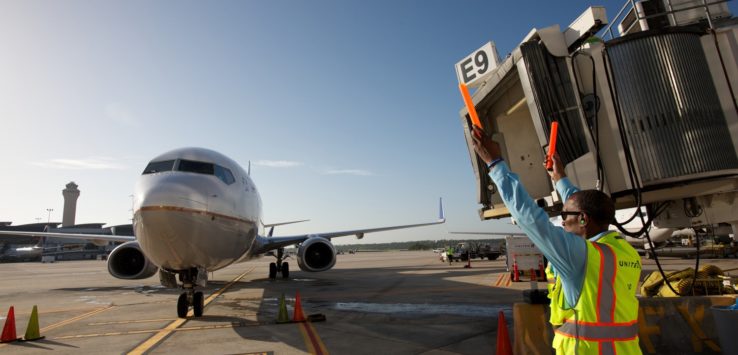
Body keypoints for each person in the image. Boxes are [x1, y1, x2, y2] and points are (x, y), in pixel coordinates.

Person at [471, 126, 642, 355]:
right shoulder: (622, 251)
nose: (561, 221)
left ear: (583, 220)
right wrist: (560, 179)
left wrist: (495, 164)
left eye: (564, 216)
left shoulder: (580, 255)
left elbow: (529, 218)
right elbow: (580, 204)